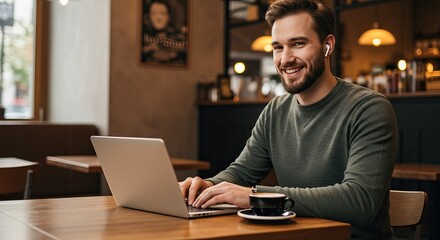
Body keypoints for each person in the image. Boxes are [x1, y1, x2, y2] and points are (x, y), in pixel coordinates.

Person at [179, 0, 397, 239]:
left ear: (327, 45)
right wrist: (206, 187)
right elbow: (240, 173)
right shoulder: (276, 111)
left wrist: (254, 195)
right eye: (278, 47)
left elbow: (359, 202)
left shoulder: (369, 108)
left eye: (298, 44)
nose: (285, 59)